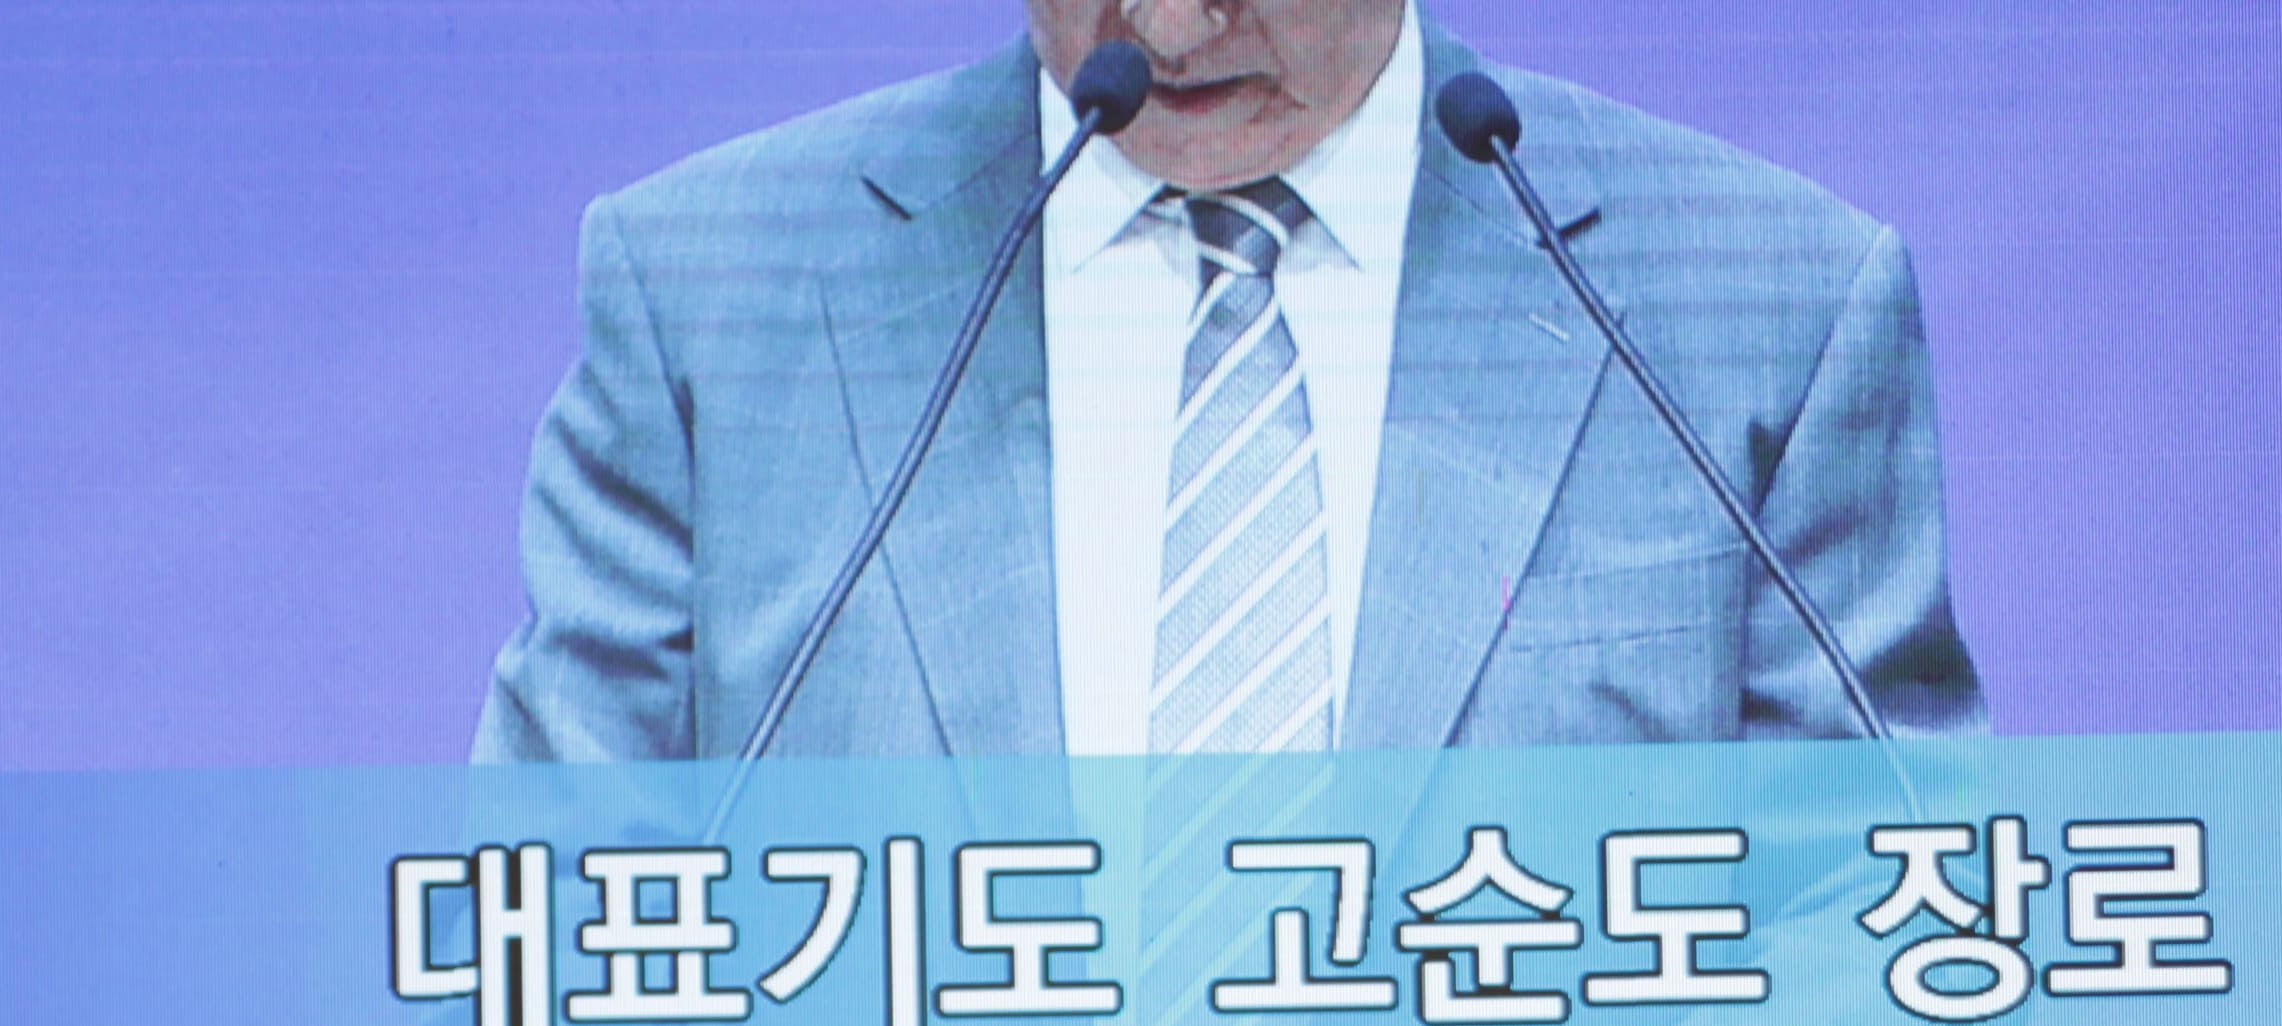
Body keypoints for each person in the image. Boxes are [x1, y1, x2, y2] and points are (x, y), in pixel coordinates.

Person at [480, 3, 1982, 762]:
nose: (1175, 25)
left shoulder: (1762, 300)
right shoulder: (713, 292)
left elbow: (1885, 913)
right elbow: (545, 924)